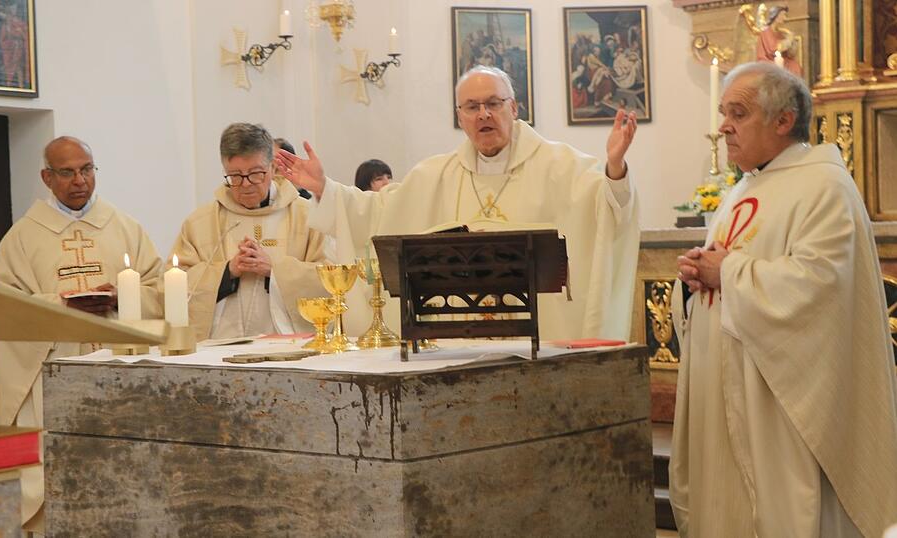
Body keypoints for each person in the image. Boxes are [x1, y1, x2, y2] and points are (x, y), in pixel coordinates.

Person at [672, 62, 897, 537]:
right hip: (728, 387)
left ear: (783, 120)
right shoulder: (743, 188)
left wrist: (727, 271)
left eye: (738, 113)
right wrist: (694, 279)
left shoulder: (823, 185)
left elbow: (820, 285)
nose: (724, 127)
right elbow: (721, 273)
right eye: (723, 112)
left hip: (781, 403)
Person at [276, 65, 639, 341]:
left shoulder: (561, 166)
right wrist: (325, 187)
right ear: (460, 117)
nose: (483, 114)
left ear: (513, 108)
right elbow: (378, 212)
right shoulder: (435, 175)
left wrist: (615, 167)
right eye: (472, 106)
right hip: (458, 337)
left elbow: (606, 206)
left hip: (540, 337)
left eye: (493, 103)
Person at [0, 136, 163, 533]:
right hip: (53, 374)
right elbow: (3, 309)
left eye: (87, 169)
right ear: (46, 177)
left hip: (120, 372)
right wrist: (60, 303)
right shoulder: (21, 238)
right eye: (67, 172)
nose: (80, 180)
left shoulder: (125, 227)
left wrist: (123, 295)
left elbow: (160, 292)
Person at [172, 123, 328, 340]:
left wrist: (274, 270)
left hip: (288, 346)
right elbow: (174, 284)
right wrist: (227, 271)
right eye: (235, 176)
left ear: (273, 168)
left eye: (255, 174)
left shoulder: (308, 217)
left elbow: (331, 279)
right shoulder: (200, 222)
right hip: (220, 347)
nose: (245, 184)